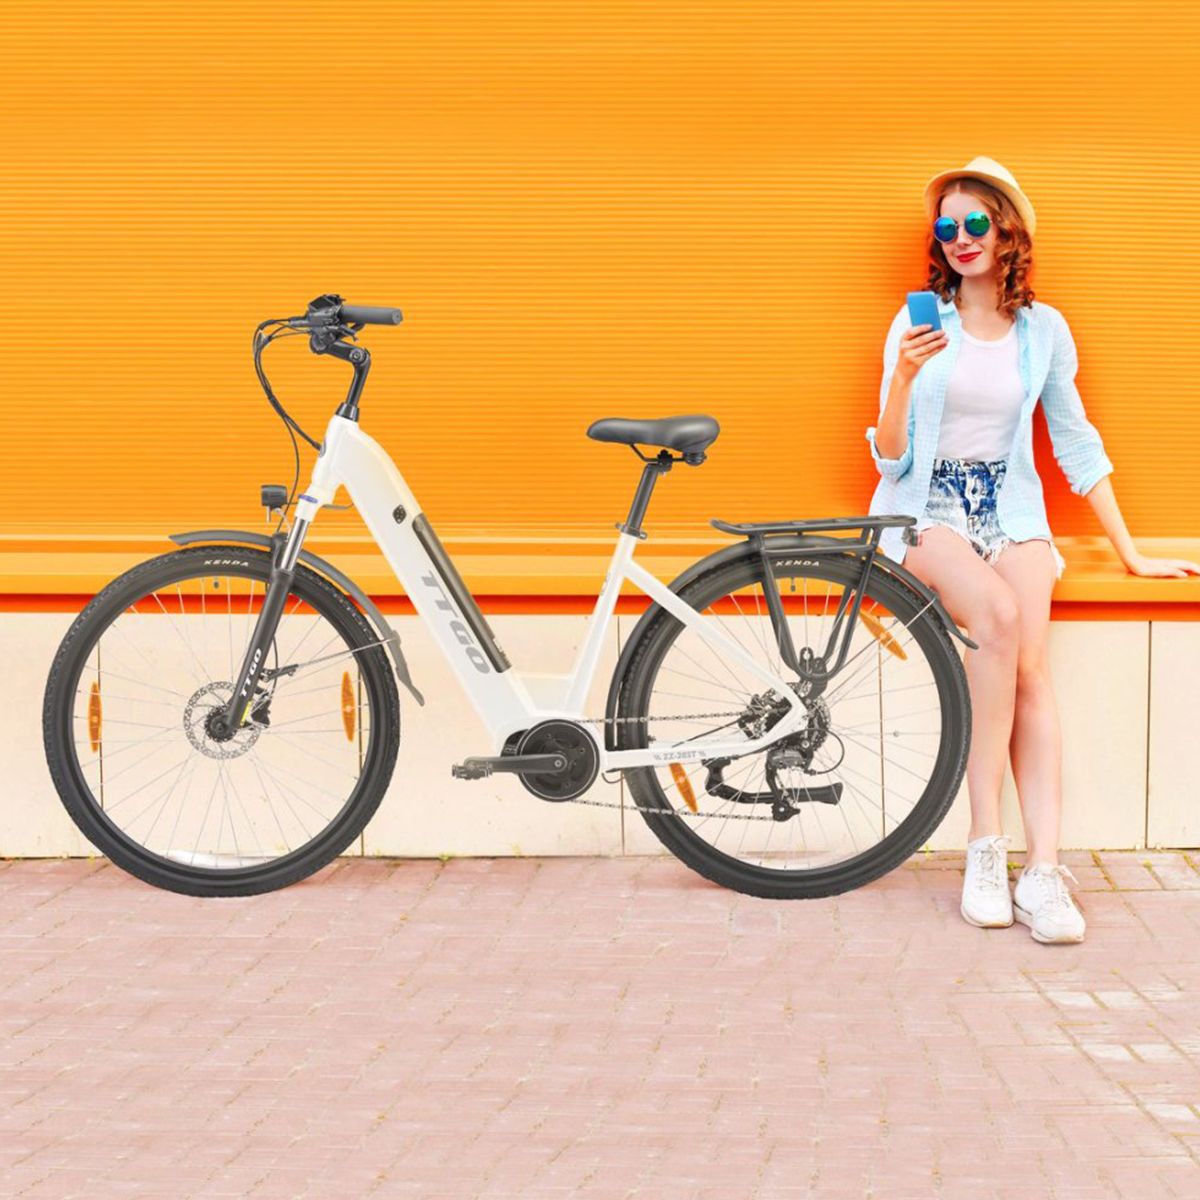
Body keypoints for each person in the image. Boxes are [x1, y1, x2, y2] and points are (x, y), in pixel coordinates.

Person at [865, 156, 1200, 944]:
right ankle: (985, 845)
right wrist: (905, 380)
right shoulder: (917, 324)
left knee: (1031, 671)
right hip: (926, 507)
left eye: (975, 222)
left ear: (1009, 232)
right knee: (998, 614)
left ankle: (1042, 871)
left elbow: (1076, 444)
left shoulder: (1043, 332)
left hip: (1010, 508)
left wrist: (1133, 553)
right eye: (945, 226)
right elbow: (887, 456)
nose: (959, 238)